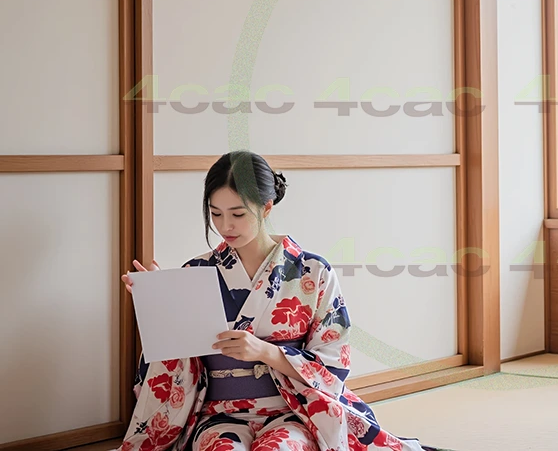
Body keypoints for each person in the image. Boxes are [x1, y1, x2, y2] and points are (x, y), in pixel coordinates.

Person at [119, 150, 432, 451]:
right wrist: (160, 300)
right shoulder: (196, 271)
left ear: (266, 207)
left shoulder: (313, 272)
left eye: (238, 214)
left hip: (292, 411)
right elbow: (175, 359)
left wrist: (264, 351)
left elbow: (334, 362)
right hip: (219, 415)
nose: (225, 226)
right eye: (215, 214)